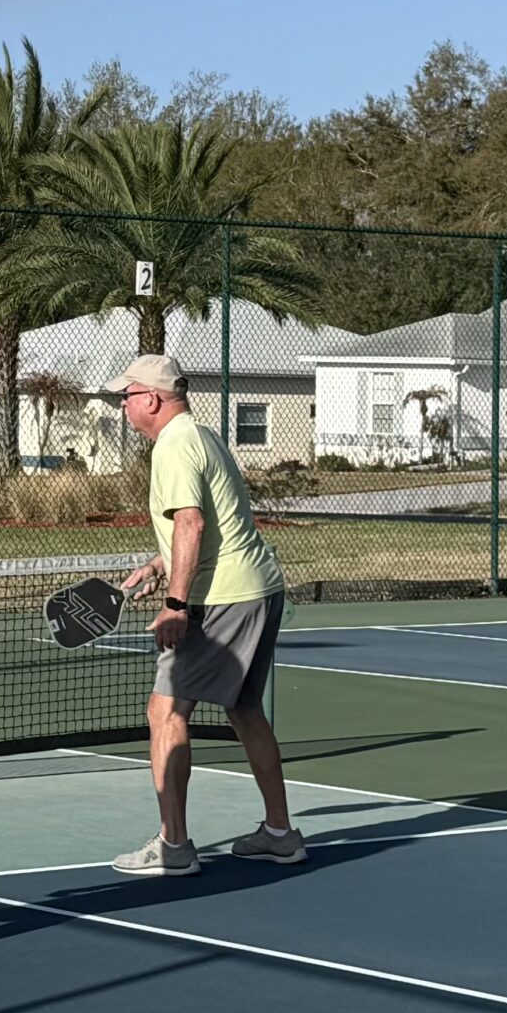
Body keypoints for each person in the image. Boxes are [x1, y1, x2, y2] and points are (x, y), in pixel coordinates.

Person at [101, 353, 298, 875]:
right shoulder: (203, 436)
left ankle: (174, 845)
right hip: (259, 588)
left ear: (151, 399)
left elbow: (190, 524)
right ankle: (280, 834)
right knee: (246, 709)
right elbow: (210, 523)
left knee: (165, 712)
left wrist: (175, 605)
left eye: (127, 397)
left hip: (224, 597)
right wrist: (159, 564)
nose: (123, 406)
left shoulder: (174, 445)